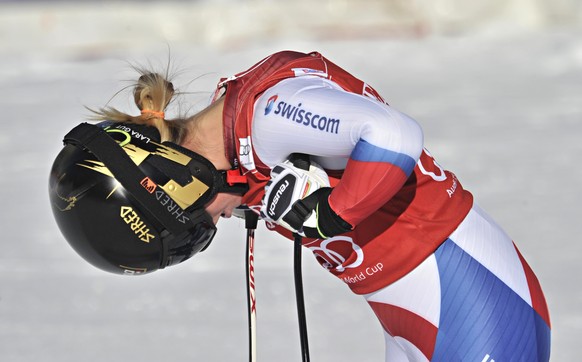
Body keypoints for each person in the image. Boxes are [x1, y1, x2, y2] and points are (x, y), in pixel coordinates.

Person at [49, 50, 551, 361]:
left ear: (171, 176)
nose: (221, 220)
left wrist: (334, 212)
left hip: (472, 300)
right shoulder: (238, 148)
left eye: (200, 222)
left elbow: (395, 134)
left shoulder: (266, 115)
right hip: (414, 314)